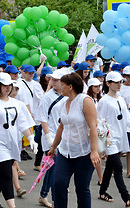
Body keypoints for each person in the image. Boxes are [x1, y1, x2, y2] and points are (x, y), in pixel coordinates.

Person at [0, 72, 37, 208]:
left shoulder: (17, 103)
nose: (7, 88)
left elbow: (23, 123)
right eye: (4, 85)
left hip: (12, 143)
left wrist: (31, 138)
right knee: (6, 173)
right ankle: (12, 206)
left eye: (9, 85)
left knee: (0, 173)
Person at [48, 72, 101, 208]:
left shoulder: (85, 101)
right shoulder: (63, 102)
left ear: (70, 86)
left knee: (82, 188)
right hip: (65, 152)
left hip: (84, 153)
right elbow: (61, 127)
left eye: (63, 85)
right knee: (59, 184)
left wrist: (94, 151)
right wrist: (54, 147)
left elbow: (93, 127)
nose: (60, 87)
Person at [35, 69, 68, 207]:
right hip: (51, 136)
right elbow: (42, 117)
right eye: (52, 79)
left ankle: (44, 195)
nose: (52, 82)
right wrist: (48, 137)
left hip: (63, 137)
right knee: (54, 167)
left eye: (56, 80)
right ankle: (54, 199)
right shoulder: (47, 96)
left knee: (53, 167)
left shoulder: (67, 96)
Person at [98, 71, 130, 206]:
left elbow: (126, 119)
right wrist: (102, 142)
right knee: (117, 166)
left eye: (120, 82)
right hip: (110, 139)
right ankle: (126, 197)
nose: (119, 85)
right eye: (116, 82)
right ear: (108, 83)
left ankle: (102, 191)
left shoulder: (121, 99)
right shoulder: (103, 101)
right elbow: (99, 121)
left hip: (121, 136)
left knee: (110, 166)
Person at [121, 66, 130, 178]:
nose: (128, 78)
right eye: (127, 76)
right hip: (124, 119)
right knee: (122, 149)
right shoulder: (121, 88)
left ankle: (129, 171)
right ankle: (111, 167)